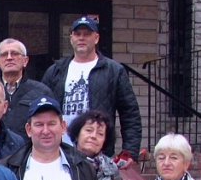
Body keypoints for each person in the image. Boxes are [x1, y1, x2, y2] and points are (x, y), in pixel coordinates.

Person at [40, 16, 142, 166]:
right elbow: (41, 110)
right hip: (59, 151)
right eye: (77, 34)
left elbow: (130, 113)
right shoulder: (56, 71)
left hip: (97, 154)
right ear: (71, 38)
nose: (81, 38)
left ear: (96, 38)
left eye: (87, 34)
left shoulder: (113, 70)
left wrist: (130, 151)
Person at [0, 38, 51, 139]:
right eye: (4, 54)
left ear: (25, 61)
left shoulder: (41, 92)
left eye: (15, 53)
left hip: (29, 152)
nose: (9, 58)